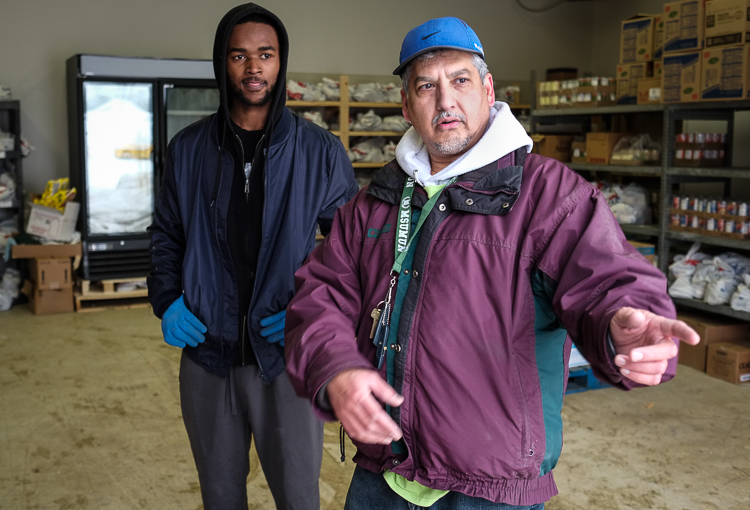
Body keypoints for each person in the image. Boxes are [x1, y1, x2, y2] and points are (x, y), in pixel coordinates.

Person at [284, 16, 700, 510]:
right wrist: (336, 369)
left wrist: (622, 324)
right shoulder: (374, 204)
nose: (445, 101)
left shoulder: (548, 195)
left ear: (487, 89)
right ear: (405, 105)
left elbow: (606, 277)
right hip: (384, 474)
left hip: (492, 489)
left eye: (460, 80)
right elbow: (319, 296)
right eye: (426, 86)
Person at [147, 3, 358, 509]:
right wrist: (168, 297)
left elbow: (353, 251)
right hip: (207, 354)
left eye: (265, 54)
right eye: (239, 55)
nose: (253, 67)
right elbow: (165, 235)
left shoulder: (320, 152)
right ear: (223, 64)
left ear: (281, 62)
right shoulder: (188, 149)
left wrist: (315, 310)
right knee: (220, 495)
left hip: (287, 356)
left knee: (298, 494)